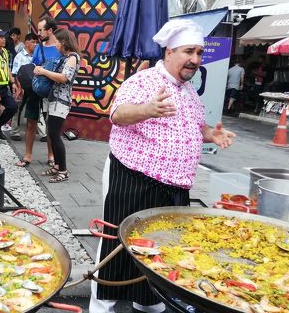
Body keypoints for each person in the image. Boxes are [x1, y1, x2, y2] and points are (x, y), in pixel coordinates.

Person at [89, 19, 235, 313]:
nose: (195, 59)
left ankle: (149, 305)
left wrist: (210, 133)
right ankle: (102, 306)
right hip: (133, 180)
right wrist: (146, 109)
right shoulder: (142, 82)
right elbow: (117, 115)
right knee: (119, 247)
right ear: (169, 52)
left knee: (161, 250)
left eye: (199, 53)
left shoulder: (190, 92)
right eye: (188, 51)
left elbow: (193, 126)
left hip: (174, 190)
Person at [33, 29, 80, 183]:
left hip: (61, 101)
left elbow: (63, 78)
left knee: (54, 134)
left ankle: (63, 171)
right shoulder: (65, 57)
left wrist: (44, 71)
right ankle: (58, 166)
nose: (56, 45)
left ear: (64, 42)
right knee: (52, 134)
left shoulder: (73, 57)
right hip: (54, 99)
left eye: (58, 42)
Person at [32, 16, 61, 167]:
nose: (38, 33)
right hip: (43, 90)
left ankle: (55, 156)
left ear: (50, 30)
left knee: (54, 126)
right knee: (46, 122)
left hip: (58, 91)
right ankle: (50, 155)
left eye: (41, 30)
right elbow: (34, 65)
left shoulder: (61, 48)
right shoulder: (39, 47)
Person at [10, 33, 37, 145]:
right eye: (33, 42)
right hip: (22, 86)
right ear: (26, 42)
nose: (35, 44)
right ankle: (15, 132)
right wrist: (18, 86)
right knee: (18, 108)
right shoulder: (19, 56)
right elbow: (15, 73)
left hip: (35, 87)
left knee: (36, 109)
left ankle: (43, 133)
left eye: (36, 42)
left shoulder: (37, 56)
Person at [0, 29, 18, 140]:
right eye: (1, 37)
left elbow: (7, 68)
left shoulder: (4, 51)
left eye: (4, 37)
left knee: (12, 107)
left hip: (4, 87)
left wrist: (12, 82)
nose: (4, 39)